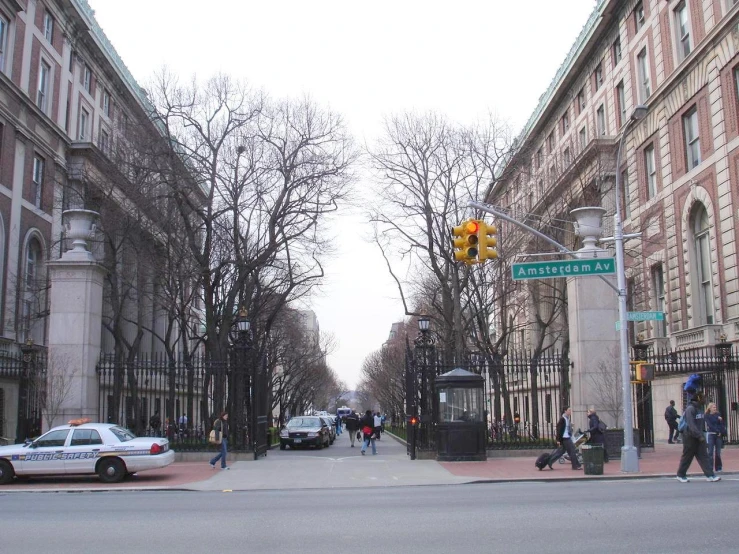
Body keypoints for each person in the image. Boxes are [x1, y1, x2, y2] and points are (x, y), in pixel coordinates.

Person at [676, 375, 719, 483]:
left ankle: (710, 475)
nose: (704, 399)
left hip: (698, 436)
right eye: (702, 398)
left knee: (703, 456)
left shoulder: (699, 409)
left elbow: (699, 424)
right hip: (689, 436)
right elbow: (691, 424)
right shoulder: (690, 409)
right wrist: (699, 436)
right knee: (687, 456)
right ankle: (680, 475)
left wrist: (701, 435)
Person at [705, 402, 726, 473]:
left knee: (718, 452)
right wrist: (717, 431)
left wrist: (720, 431)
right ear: (710, 408)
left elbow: (721, 425)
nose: (715, 408)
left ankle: (718, 467)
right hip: (711, 434)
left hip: (718, 435)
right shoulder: (707, 415)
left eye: (715, 407)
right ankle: (710, 468)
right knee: (710, 452)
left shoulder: (718, 415)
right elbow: (710, 425)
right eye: (713, 407)